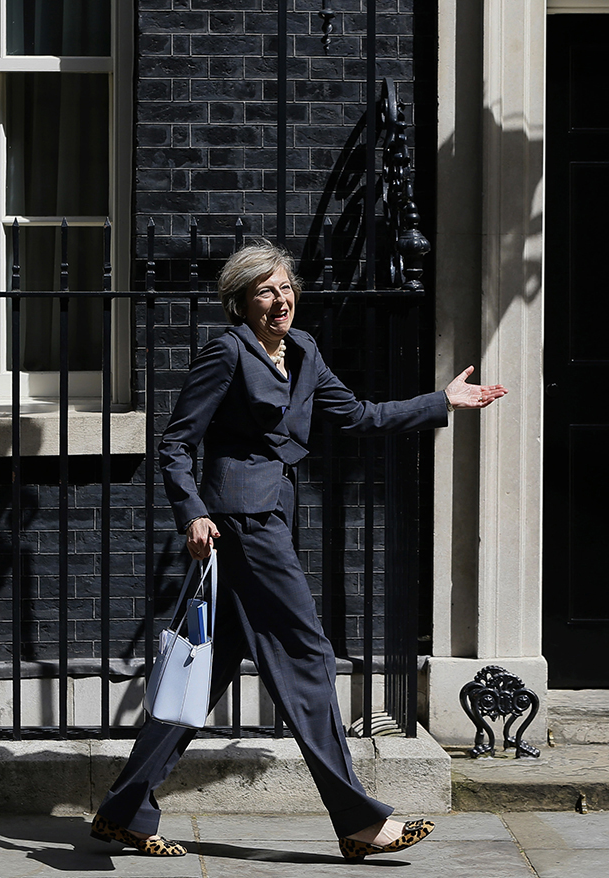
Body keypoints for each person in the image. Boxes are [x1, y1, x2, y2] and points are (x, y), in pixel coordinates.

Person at [91, 240, 506, 860]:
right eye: (265, 290)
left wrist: (441, 402)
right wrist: (192, 512)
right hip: (241, 523)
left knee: (204, 670)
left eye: (285, 287)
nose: (280, 299)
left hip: (270, 519)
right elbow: (175, 445)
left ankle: (123, 812)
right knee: (308, 655)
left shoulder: (305, 351)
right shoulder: (226, 354)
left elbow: (359, 416)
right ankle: (359, 820)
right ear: (241, 302)